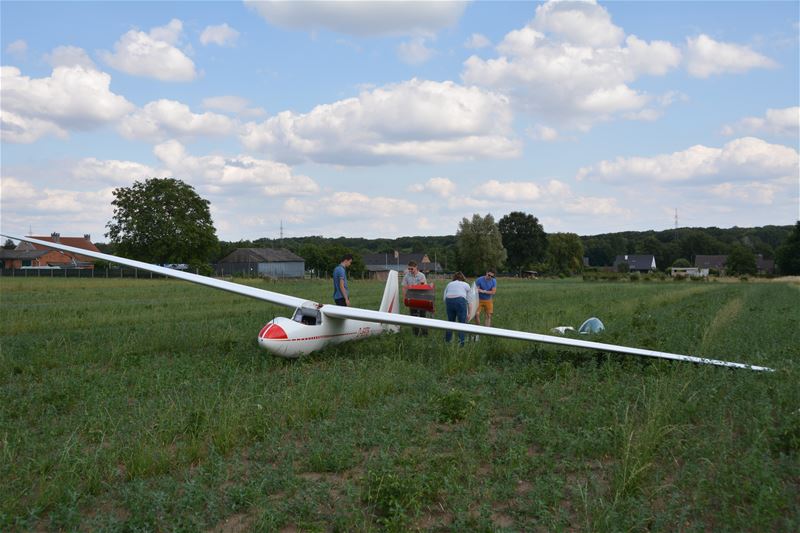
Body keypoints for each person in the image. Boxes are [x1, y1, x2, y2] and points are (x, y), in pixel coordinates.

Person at [443, 271, 471, 345]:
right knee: (462, 323)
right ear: (463, 278)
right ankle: (461, 343)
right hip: (460, 300)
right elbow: (469, 300)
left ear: (454, 278)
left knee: (450, 322)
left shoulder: (449, 284)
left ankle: (447, 341)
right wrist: (469, 313)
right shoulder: (466, 285)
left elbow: (444, 298)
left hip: (449, 300)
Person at [402, 260, 429, 336]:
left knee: (422, 316)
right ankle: (415, 334)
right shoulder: (407, 276)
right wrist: (404, 298)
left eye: (411, 269)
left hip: (421, 298)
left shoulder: (422, 276)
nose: (410, 270)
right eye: (409, 269)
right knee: (413, 316)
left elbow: (424, 286)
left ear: (416, 267)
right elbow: (404, 287)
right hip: (411, 299)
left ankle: (424, 334)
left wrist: (415, 287)